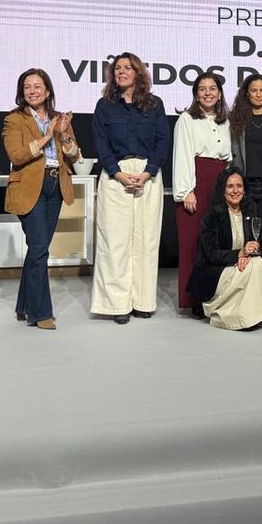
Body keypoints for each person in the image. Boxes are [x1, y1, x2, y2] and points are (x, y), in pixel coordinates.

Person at [90, 53, 169, 325]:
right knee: (115, 242)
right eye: (117, 68)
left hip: (149, 174)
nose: (122, 72)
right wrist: (117, 173)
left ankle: (143, 301)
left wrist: (148, 172)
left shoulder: (155, 105)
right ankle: (116, 305)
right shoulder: (104, 106)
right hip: (116, 177)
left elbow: (162, 141)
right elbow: (101, 144)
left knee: (145, 241)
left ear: (138, 73)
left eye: (127, 68)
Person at [2, 68, 80, 330]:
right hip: (29, 187)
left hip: (55, 185)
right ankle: (41, 312)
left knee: (38, 249)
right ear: (21, 93)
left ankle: (24, 306)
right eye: (27, 87)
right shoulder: (14, 120)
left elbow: (74, 156)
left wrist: (65, 134)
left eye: (37, 86)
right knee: (39, 249)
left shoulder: (60, 119)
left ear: (48, 91)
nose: (32, 91)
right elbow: (17, 155)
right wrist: (47, 136)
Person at [186, 167, 262, 330]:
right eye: (230, 186)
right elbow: (212, 255)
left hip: (241, 266)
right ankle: (238, 317)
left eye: (239, 186)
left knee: (256, 262)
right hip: (216, 272)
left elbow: (256, 242)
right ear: (222, 190)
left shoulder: (250, 211)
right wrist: (239, 254)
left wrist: (250, 251)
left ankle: (252, 313)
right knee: (255, 265)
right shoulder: (213, 215)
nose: (235, 190)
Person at [173, 72, 233, 317]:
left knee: (217, 241)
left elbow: (229, 158)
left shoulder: (226, 121)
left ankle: (215, 295)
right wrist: (187, 190)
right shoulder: (186, 120)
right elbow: (182, 155)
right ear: (196, 94)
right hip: (196, 181)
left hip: (220, 181)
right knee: (193, 243)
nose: (207, 93)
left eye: (212, 88)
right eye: (202, 89)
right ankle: (195, 299)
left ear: (219, 93)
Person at [229, 74, 262, 281]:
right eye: (254, 90)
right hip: (244, 189)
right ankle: (248, 288)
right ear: (247, 93)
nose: (258, 94)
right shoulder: (236, 118)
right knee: (247, 241)